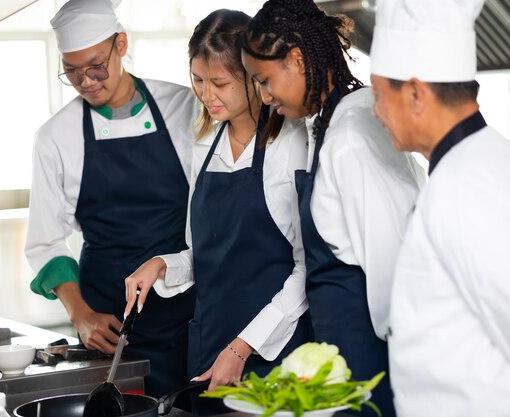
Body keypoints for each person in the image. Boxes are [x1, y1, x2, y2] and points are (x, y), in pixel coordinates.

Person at [369, 0, 510, 416]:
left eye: (379, 95)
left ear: (415, 93)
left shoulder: (461, 187)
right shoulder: (509, 164)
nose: (376, 111)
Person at [240, 1, 425, 416]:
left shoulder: (352, 138)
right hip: (346, 364)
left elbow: (392, 260)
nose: (265, 98)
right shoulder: (330, 124)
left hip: (372, 366)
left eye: (265, 81)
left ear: (298, 59)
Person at [124, 9, 313, 415]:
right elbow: (205, 255)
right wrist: (160, 266)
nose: (206, 95)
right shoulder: (205, 143)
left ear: (250, 76)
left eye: (219, 83)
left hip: (274, 354)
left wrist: (244, 347)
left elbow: (307, 269)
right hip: (211, 347)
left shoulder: (291, 145)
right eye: (197, 80)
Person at [24, 0, 198, 399]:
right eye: (71, 71)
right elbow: (46, 240)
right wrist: (80, 314)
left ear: (121, 44)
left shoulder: (183, 105)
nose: (85, 81)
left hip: (185, 310)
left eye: (95, 66)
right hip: (106, 322)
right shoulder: (56, 136)